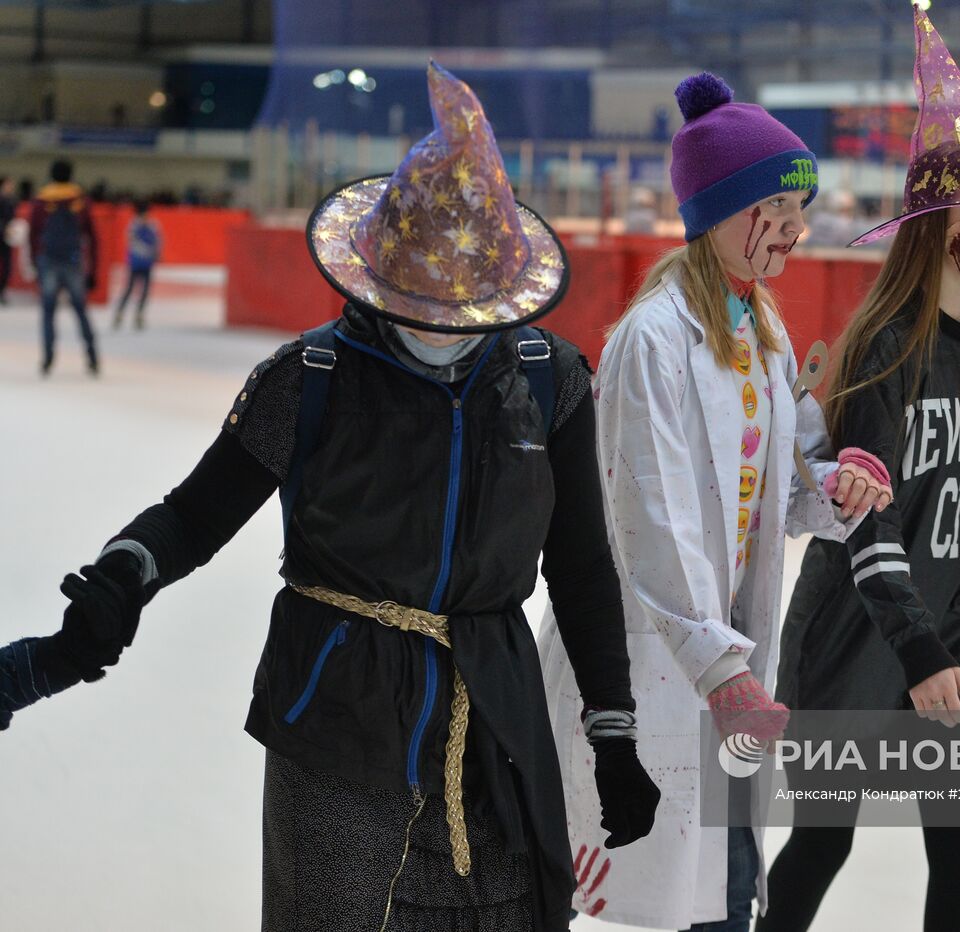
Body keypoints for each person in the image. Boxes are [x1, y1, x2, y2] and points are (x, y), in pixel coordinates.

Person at [0, 63, 659, 932]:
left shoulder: (550, 382)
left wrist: (612, 729)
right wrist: (124, 574)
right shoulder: (310, 379)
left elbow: (578, 565)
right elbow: (195, 515)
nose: (443, 325)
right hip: (338, 717)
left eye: (466, 308)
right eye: (423, 301)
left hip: (493, 719)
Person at [537, 72, 891, 931]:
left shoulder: (757, 327)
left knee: (723, 896)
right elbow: (645, 520)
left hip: (724, 675)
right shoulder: (651, 339)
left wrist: (838, 484)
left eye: (799, 211)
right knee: (620, 884)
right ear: (720, 212)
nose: (797, 230)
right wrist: (721, 670)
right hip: (658, 663)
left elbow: (787, 485)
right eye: (778, 207)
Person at [760, 8, 960, 932]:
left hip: (951, 629)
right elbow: (868, 521)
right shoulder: (884, 353)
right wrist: (920, 650)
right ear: (937, 230)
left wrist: (958, 646)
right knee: (825, 840)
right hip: (855, 634)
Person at [29, 158, 100, 375]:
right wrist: (93, 269)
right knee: (80, 310)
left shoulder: (42, 201)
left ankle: (48, 357)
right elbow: (92, 237)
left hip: (49, 261)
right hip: (73, 261)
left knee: (48, 311)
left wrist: (35, 263)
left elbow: (33, 235)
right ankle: (92, 355)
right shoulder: (80, 200)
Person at [113, 199, 161, 330]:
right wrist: (148, 251)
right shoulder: (133, 225)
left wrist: (157, 253)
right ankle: (120, 313)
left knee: (145, 290)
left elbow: (158, 241)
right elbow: (131, 242)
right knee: (129, 289)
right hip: (136, 262)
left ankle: (139, 314)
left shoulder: (152, 225)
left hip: (147, 263)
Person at [0, 175, 16, 304]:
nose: (11, 187)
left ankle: (1, 292)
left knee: (7, 266)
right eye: (9, 184)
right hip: (3, 234)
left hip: (7, 238)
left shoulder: (11, 201)